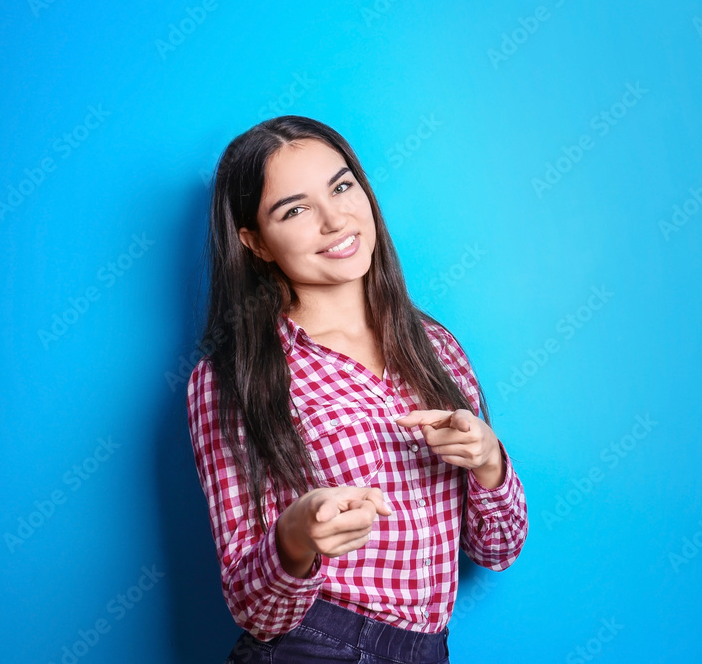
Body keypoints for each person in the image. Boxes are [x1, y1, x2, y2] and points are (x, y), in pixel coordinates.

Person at [185, 115, 528, 664]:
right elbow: (255, 610)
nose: (334, 219)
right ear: (256, 242)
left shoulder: (436, 349)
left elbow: (497, 549)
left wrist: (488, 461)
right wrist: (294, 536)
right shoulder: (233, 377)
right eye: (294, 210)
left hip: (426, 651)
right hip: (311, 647)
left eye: (342, 186)